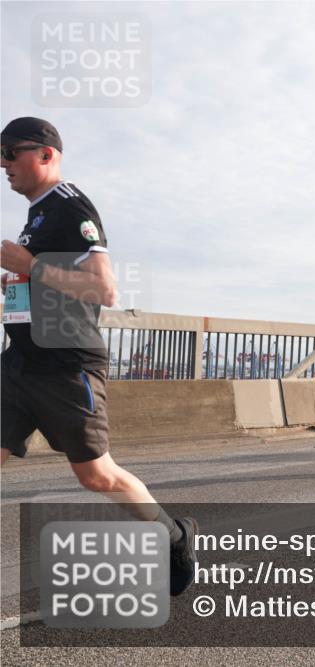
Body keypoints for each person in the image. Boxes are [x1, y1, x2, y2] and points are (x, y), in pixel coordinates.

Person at [0, 117, 197, 595]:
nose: (3, 163)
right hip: (19, 363)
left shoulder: (69, 206)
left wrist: (30, 266)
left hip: (65, 366)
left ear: (46, 155)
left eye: (11, 152)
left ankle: (174, 537)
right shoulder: (38, 215)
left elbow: (104, 289)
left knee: (97, 476)